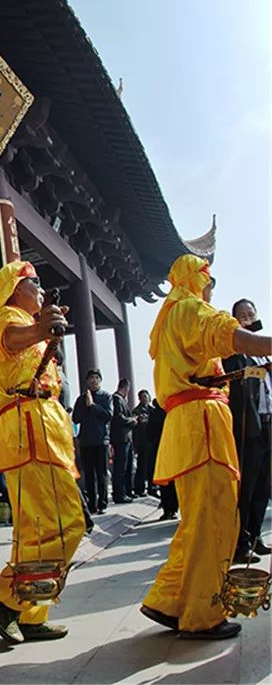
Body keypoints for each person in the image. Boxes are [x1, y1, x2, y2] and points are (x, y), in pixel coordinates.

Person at [140, 255, 271, 640]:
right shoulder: (191, 309)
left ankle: (168, 600)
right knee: (215, 519)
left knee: (196, 521)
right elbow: (238, 338)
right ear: (195, 279)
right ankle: (203, 615)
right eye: (207, 279)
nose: (210, 287)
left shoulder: (170, 316)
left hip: (187, 423)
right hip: (202, 425)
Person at [0, 260, 84, 645]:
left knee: (35, 528)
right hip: (29, 425)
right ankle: (5, 598)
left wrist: (42, 329)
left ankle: (31, 611)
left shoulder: (27, 322)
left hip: (42, 423)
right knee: (67, 522)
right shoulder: (5, 319)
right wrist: (41, 328)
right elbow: (12, 338)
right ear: (14, 288)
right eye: (34, 282)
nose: (40, 288)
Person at [225, 298, 271, 561]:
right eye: (241, 314)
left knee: (264, 485)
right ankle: (240, 543)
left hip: (268, 422)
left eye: (250, 313)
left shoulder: (264, 350)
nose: (247, 317)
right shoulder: (234, 351)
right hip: (249, 427)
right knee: (247, 486)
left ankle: (255, 536)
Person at [73, 369, 111, 514]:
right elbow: (76, 418)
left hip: (101, 441)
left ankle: (103, 504)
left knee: (102, 474)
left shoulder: (106, 396)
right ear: (87, 381)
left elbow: (108, 415)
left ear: (100, 380)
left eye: (96, 378)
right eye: (91, 378)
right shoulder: (81, 399)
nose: (94, 380)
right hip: (86, 441)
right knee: (89, 474)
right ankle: (92, 505)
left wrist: (93, 406)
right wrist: (85, 405)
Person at [147, 399, 178, 520]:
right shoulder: (174, 410)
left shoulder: (155, 413)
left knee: (165, 482)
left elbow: (149, 434)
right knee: (175, 481)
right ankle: (174, 509)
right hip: (174, 448)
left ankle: (168, 510)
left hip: (160, 450)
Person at [110, 378, 136, 504]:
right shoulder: (116, 399)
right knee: (121, 467)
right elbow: (118, 418)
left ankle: (126, 491)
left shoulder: (121, 400)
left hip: (126, 438)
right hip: (121, 438)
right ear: (126, 388)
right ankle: (119, 494)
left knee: (127, 466)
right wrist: (132, 420)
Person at [132, 389, 154, 497]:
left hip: (152, 442)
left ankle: (152, 487)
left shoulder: (152, 410)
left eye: (146, 396)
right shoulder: (137, 411)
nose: (145, 398)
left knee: (152, 466)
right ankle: (139, 489)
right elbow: (135, 428)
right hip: (142, 442)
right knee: (142, 466)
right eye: (143, 397)